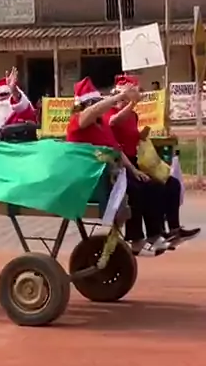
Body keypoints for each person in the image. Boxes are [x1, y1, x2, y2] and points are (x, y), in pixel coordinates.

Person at [66, 77, 172, 256]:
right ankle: (136, 240)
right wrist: (120, 96)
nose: (100, 106)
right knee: (135, 190)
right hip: (90, 178)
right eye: (95, 102)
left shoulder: (101, 125)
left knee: (151, 185)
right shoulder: (78, 121)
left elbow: (116, 149)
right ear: (86, 104)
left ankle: (154, 235)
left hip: (111, 172)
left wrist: (134, 170)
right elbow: (93, 112)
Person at [106, 74, 199, 249]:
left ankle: (172, 229)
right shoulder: (109, 112)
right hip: (118, 164)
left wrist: (141, 136)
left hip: (135, 161)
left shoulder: (133, 115)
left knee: (171, 184)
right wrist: (131, 103)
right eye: (126, 96)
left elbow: (130, 135)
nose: (127, 101)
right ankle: (143, 237)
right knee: (144, 189)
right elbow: (113, 123)